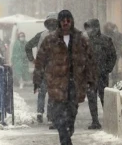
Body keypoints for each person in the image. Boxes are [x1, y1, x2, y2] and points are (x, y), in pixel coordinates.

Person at [33, 10, 96, 145]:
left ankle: (68, 131)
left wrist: (90, 80)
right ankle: (65, 139)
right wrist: (37, 80)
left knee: (71, 114)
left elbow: (90, 60)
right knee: (58, 116)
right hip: (56, 84)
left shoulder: (81, 39)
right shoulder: (50, 40)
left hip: (75, 84)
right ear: (59, 23)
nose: (66, 23)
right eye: (63, 21)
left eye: (68, 20)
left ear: (72, 21)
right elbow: (40, 60)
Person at [25, 12, 58, 124]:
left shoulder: (41, 34)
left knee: (42, 91)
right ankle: (50, 115)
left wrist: (32, 59)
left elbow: (28, 46)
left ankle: (40, 113)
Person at [84, 19, 117, 130]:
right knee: (92, 98)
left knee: (104, 97)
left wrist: (107, 69)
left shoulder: (106, 40)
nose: (89, 30)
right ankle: (95, 121)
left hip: (102, 75)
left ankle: (109, 120)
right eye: (87, 28)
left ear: (96, 28)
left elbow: (112, 56)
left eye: (90, 27)